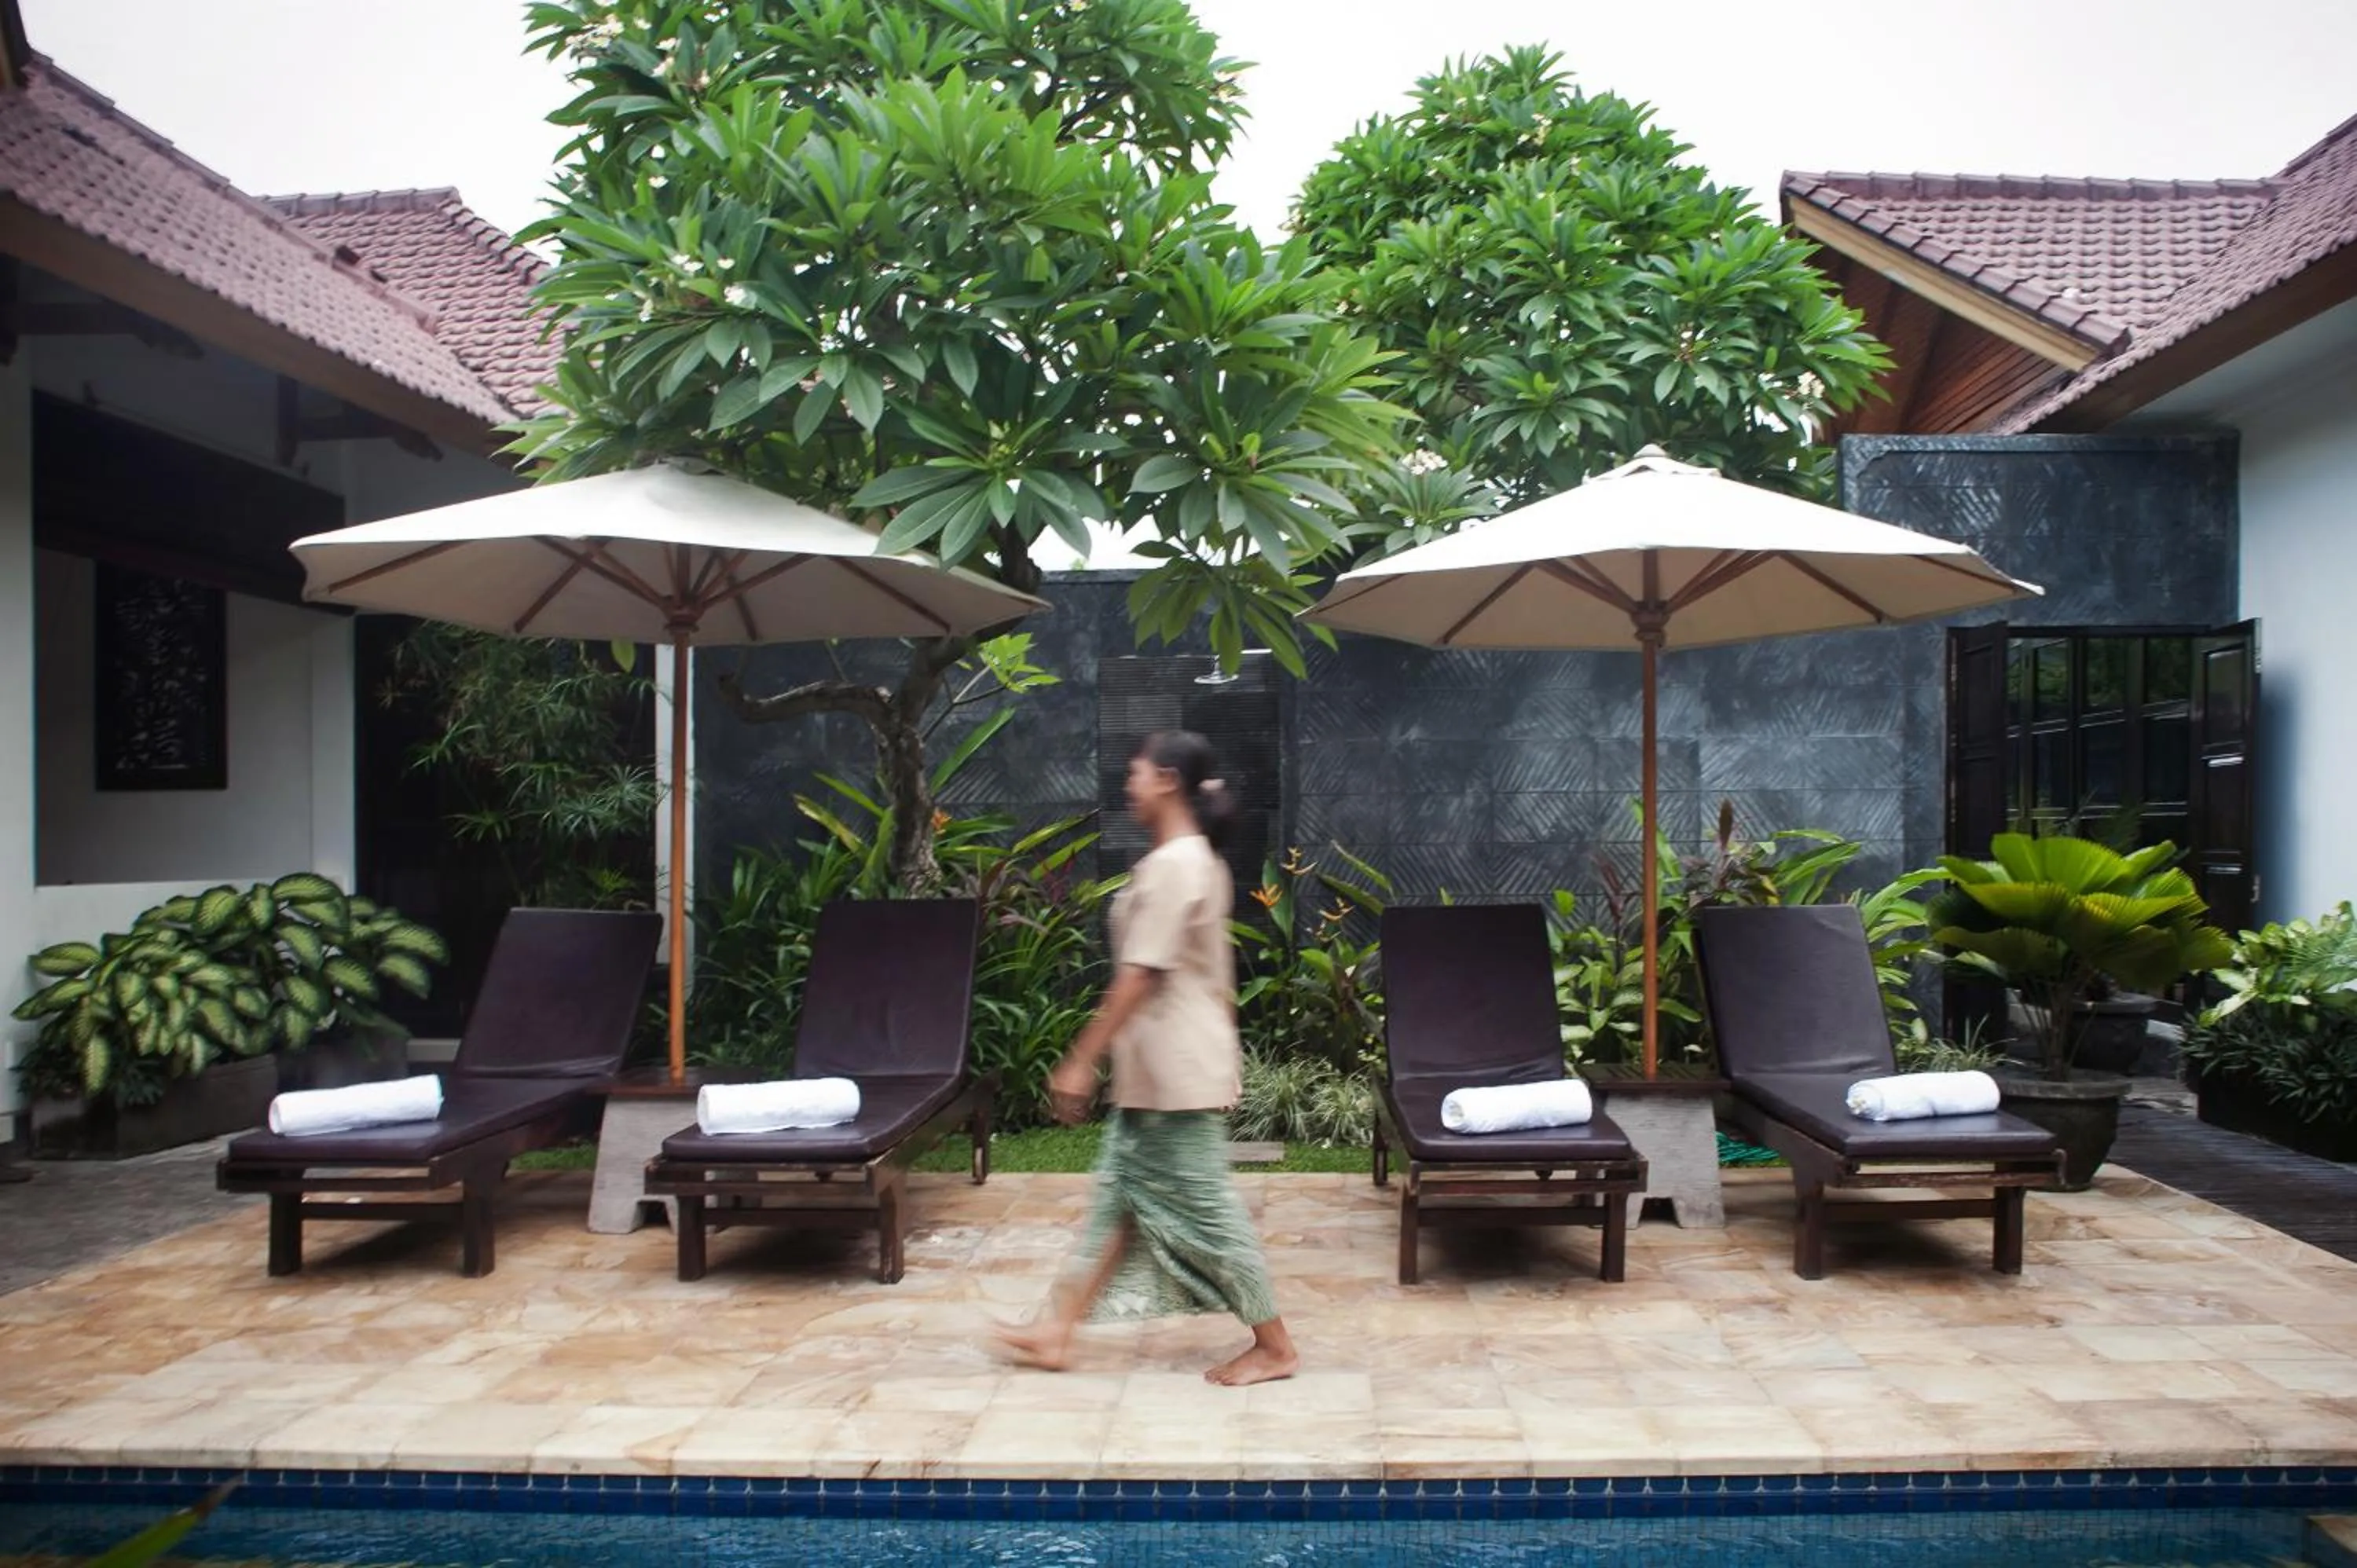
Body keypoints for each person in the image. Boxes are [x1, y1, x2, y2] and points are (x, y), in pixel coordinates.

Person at [997, 731, 1299, 1387]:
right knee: (1118, 1206)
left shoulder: (1178, 866)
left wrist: (1081, 1059)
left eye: (1135, 773)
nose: (1127, 784)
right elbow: (1213, 977)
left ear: (1166, 779)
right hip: (1163, 1071)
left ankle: (1274, 1345)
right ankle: (1057, 1329)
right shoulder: (1186, 860)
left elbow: (1140, 973)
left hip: (1174, 1076)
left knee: (1208, 1212)